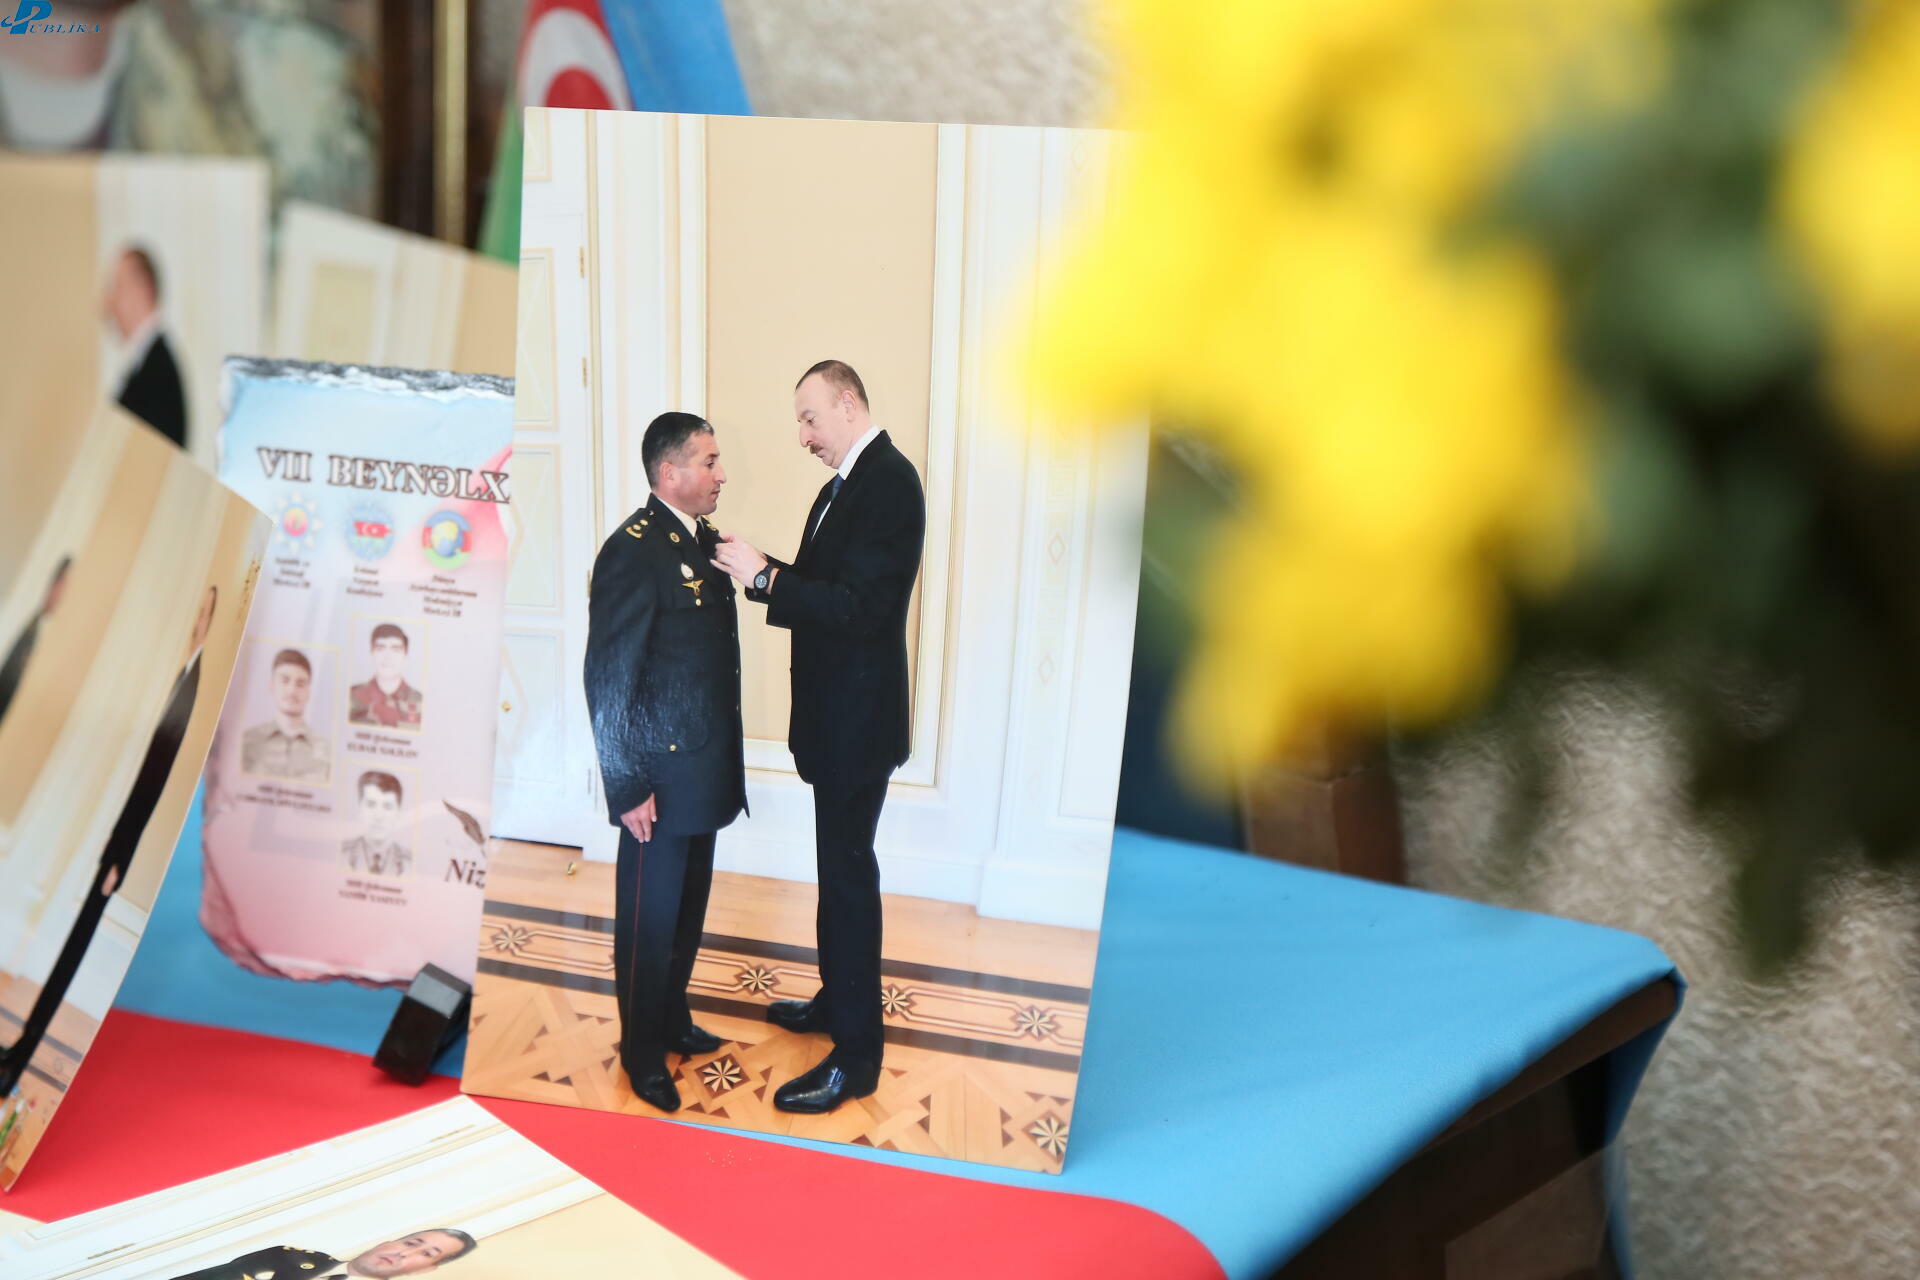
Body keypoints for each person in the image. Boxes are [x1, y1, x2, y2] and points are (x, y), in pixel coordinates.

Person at [712, 359, 925, 1114]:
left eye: (809, 418)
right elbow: (826, 586)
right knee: (837, 870)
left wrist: (767, 579)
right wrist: (757, 568)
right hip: (838, 723)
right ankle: (837, 1002)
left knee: (848, 877)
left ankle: (857, 1060)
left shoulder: (888, 482)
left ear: (847, 403)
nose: (802, 436)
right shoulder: (844, 487)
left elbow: (860, 609)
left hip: (858, 727)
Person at [584, 411, 746, 1113]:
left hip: (701, 769)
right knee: (650, 923)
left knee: (686, 913)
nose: (720, 474)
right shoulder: (632, 551)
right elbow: (607, 680)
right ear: (669, 472)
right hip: (655, 778)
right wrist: (625, 784)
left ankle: (672, 1019)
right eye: (709, 461)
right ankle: (642, 1052)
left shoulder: (700, 540)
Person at [0, 584, 216, 1094]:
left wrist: (121, 856)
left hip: (118, 856)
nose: (195, 622)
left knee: (72, 955)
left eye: (203, 615)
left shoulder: (193, 684)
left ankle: (18, 1063)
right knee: (67, 950)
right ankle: (18, 1049)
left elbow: (155, 784)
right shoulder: (183, 676)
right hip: (113, 844)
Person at [103, 245, 188, 448]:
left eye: (119, 287)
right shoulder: (145, 364)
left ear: (145, 290)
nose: (110, 302)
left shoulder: (159, 371)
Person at [168, 1228, 478, 1279]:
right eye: (410, 1243)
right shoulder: (286, 1256)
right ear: (387, 1242)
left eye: (426, 1254)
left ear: (426, 1269)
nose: (403, 1255)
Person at [240, 648, 330, 782]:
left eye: (300, 684)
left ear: (308, 692)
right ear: (272, 685)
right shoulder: (246, 743)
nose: (292, 691)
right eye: (285, 680)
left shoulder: (326, 751)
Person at [0, 556, 70, 727]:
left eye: (64, 587)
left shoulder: (53, 636)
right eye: (58, 584)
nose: (57, 593)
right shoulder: (28, 619)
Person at [348, 624, 422, 729]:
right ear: (371, 653)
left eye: (396, 649)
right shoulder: (351, 696)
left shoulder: (422, 703)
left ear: (405, 655)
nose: (388, 657)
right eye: (380, 648)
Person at [341, 771, 410, 877]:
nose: (378, 816)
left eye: (387, 807)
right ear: (359, 808)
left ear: (398, 813)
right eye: (371, 804)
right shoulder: (340, 853)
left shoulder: (411, 863)